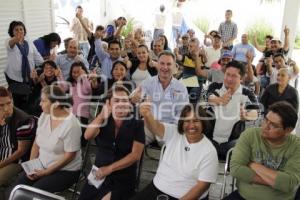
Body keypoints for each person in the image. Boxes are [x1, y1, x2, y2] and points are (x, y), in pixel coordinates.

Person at [132, 103, 218, 200]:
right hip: (156, 189)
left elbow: (202, 186)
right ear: (182, 123)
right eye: (187, 121)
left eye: (196, 121)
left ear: (203, 123)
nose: (191, 125)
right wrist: (147, 114)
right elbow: (155, 127)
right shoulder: (174, 133)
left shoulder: (209, 151)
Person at [78, 85, 145, 200]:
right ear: (108, 103)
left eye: (124, 100)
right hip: (98, 173)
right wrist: (101, 116)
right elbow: (87, 136)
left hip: (123, 176)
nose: (121, 104)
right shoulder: (103, 120)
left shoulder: (137, 123)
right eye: (116, 100)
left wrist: (109, 169)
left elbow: (135, 155)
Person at [224, 101, 300, 200]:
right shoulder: (250, 135)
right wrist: (276, 182)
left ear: (288, 130)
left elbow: (289, 183)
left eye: (273, 125)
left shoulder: (296, 146)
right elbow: (236, 169)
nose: (265, 126)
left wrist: (252, 165)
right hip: (244, 196)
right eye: (266, 120)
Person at [14, 85, 82, 193]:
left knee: (35, 193)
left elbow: (69, 156)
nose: (40, 104)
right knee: (19, 186)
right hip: (42, 164)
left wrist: (46, 172)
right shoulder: (45, 116)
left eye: (43, 101)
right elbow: (37, 143)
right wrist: (31, 167)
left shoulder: (71, 124)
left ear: (56, 104)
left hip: (65, 170)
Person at [132, 51, 189, 144]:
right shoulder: (147, 83)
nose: (165, 67)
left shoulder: (181, 88)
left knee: (172, 149)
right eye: (162, 63)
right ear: (157, 64)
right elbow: (134, 97)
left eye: (169, 64)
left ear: (174, 66)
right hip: (148, 124)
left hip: (169, 127)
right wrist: (134, 99)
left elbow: (182, 113)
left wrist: (174, 130)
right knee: (132, 143)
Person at [207, 60, 258, 158]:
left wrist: (247, 115)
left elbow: (256, 112)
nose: (229, 79)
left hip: (232, 143)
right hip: (209, 141)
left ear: (242, 78)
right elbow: (207, 98)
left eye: (234, 76)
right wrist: (219, 100)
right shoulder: (214, 87)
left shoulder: (247, 93)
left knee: (243, 147)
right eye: (227, 74)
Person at [0, 87, 36, 188]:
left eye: (8, 103)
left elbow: (21, 151)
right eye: (1, 105)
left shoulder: (23, 120)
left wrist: (1, 164)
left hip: (16, 160)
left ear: (12, 100)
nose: (6, 108)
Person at [5, 20, 44, 111]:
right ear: (12, 32)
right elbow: (10, 44)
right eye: (16, 30)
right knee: (18, 100)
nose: (19, 32)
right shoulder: (9, 41)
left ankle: (28, 115)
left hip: (28, 76)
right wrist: (16, 39)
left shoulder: (29, 42)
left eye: (21, 29)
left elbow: (36, 56)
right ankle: (19, 116)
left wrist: (46, 63)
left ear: (24, 31)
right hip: (14, 78)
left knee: (28, 97)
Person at [59, 61, 92, 146]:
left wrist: (84, 76)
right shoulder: (71, 83)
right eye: (74, 72)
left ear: (84, 71)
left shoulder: (87, 80)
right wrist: (59, 75)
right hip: (71, 114)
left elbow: (86, 90)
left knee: (80, 141)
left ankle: (80, 157)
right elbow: (63, 89)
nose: (76, 74)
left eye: (79, 72)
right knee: (69, 139)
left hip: (82, 115)